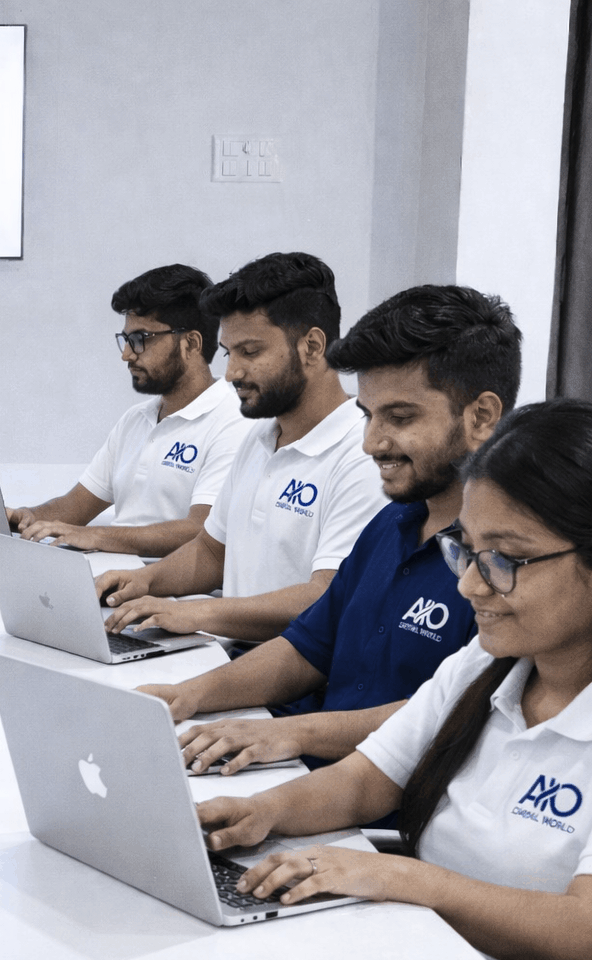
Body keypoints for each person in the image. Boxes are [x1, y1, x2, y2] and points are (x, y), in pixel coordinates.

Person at [199, 399, 592, 960]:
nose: (468, 584)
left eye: (506, 560)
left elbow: (583, 935)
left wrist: (405, 879)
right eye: (467, 549)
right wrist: (262, 813)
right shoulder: (488, 662)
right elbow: (367, 779)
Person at [140, 285, 520, 773]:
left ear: (482, 416)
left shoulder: (513, 565)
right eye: (368, 416)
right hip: (307, 768)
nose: (371, 443)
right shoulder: (392, 523)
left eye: (400, 417)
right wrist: (185, 697)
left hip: (376, 812)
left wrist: (289, 733)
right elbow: (307, 649)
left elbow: (450, 716)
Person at [97, 252, 386, 642]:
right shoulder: (259, 437)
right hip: (228, 648)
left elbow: (325, 596)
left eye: (250, 352)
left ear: (313, 347)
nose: (231, 373)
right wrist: (140, 582)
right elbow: (212, 553)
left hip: (293, 684)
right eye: (230, 353)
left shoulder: (362, 453)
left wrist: (193, 612)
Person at [6, 264, 254, 556]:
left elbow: (201, 529)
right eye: (125, 340)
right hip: (116, 574)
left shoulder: (233, 420)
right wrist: (18, 517)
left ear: (191, 343)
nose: (126, 354)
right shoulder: (136, 420)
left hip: (178, 592)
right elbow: (73, 509)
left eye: (140, 340)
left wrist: (95, 537)